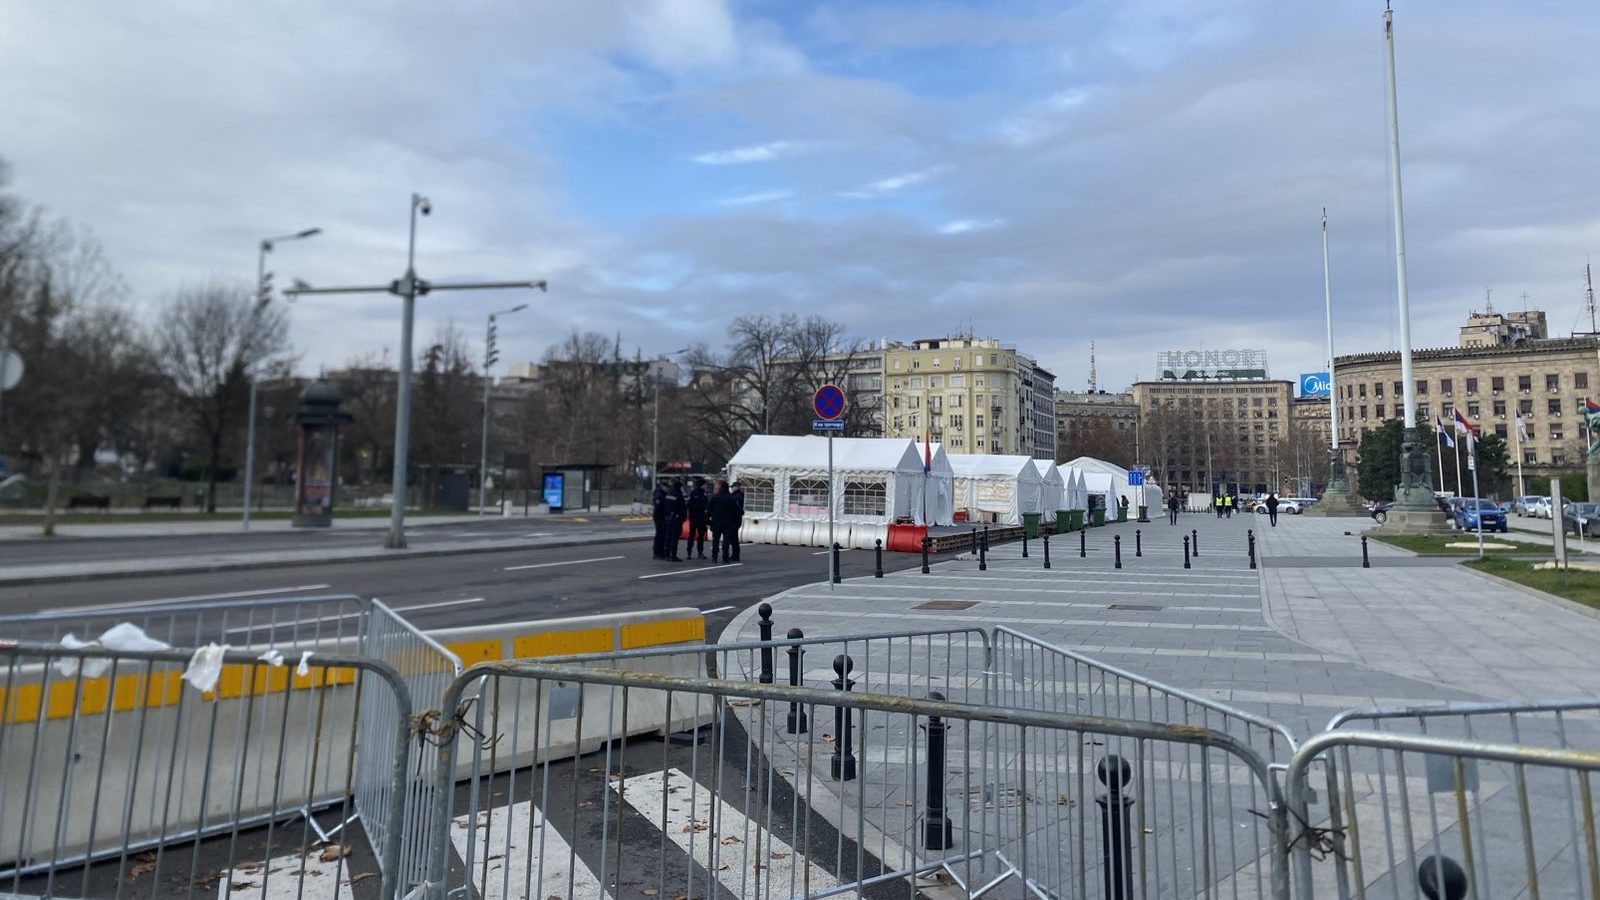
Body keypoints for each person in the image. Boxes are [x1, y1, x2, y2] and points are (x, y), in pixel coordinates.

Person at [707, 479, 739, 563]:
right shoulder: (730, 498)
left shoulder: (714, 497)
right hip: (727, 523)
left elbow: (708, 510)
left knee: (715, 540)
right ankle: (725, 557)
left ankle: (714, 557)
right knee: (726, 541)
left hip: (716, 522)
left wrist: (708, 521)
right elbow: (737, 511)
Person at [664, 479, 688, 561]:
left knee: (668, 537)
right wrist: (684, 517)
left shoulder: (668, 493)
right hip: (676, 518)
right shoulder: (679, 494)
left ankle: (667, 554)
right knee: (675, 538)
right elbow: (682, 507)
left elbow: (665, 505)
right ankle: (673, 555)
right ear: (680, 487)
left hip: (668, 517)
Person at [686, 477, 710, 560]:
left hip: (702, 518)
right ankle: (689, 552)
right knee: (691, 535)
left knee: (701, 536)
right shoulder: (694, 493)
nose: (706, 485)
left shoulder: (705, 493)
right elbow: (690, 505)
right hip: (694, 517)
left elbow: (707, 504)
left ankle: (700, 552)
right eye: (705, 484)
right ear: (702, 485)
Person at [650, 480, 668, 560]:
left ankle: (661, 552)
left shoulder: (663, 494)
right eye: (666, 487)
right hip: (659, 518)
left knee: (662, 535)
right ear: (662, 486)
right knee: (659, 535)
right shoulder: (658, 495)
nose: (667, 489)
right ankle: (657, 552)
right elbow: (658, 508)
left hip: (663, 517)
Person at [729, 482, 745, 561]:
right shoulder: (737, 495)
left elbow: (737, 508)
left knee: (734, 538)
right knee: (733, 538)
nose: (731, 488)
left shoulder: (737, 496)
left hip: (735, 519)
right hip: (736, 519)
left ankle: (735, 555)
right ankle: (735, 555)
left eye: (733, 487)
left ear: (737, 487)